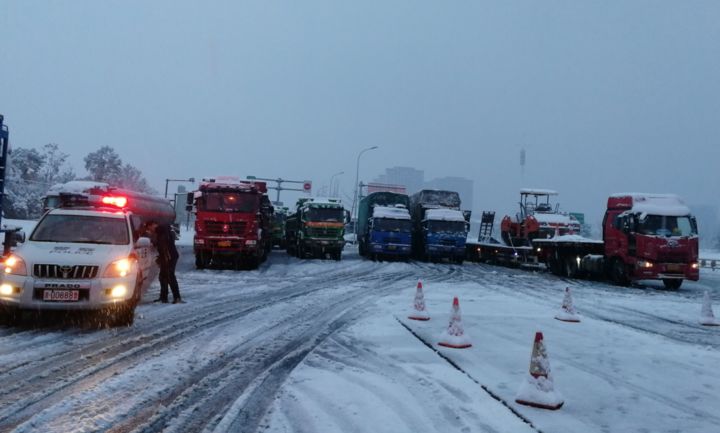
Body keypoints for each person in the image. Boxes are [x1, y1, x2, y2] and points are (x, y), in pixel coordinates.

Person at [148, 221, 183, 304]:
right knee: (163, 276)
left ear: (153, 225)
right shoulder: (163, 231)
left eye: (150, 228)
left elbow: (164, 246)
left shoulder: (161, 232)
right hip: (168, 256)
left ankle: (177, 297)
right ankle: (164, 297)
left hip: (169, 257)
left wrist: (164, 258)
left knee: (170, 276)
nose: (150, 230)